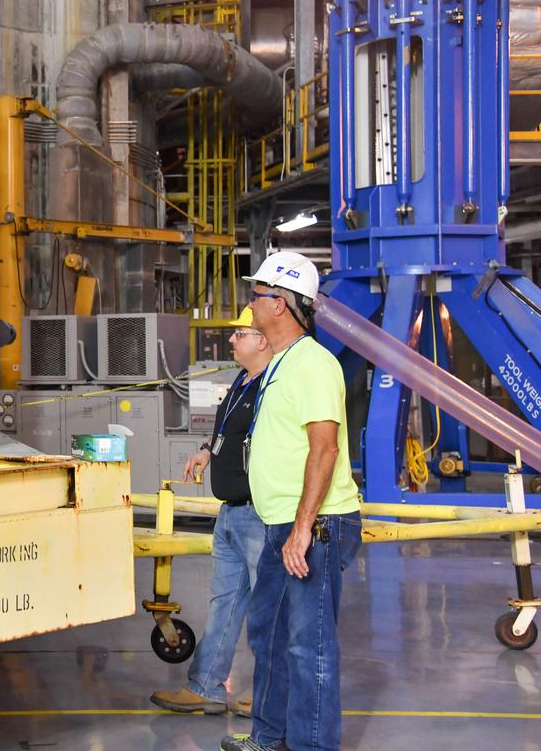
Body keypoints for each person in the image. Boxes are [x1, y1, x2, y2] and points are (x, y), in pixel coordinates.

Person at [221, 251, 362, 751]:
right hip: (282, 522)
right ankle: (270, 736)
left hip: (315, 526)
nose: (251, 302)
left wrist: (303, 528)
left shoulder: (313, 364)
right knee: (269, 635)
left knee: (309, 645)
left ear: (279, 304)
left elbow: (325, 447)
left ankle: (312, 745)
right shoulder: (280, 363)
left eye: (257, 294)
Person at [151, 308, 272, 719]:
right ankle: (205, 687)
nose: (232, 341)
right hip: (232, 514)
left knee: (267, 610)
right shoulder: (242, 381)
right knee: (224, 604)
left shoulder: (273, 386)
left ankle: (271, 694)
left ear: (263, 340)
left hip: (260, 515)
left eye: (240, 334)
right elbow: (228, 434)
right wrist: (207, 450)